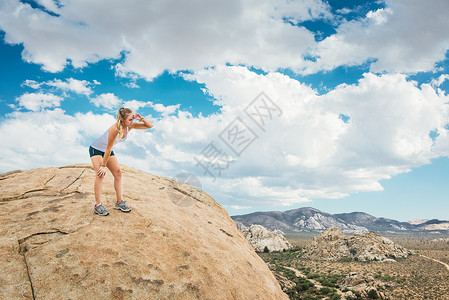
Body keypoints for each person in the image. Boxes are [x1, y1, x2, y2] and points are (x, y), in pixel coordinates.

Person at [89, 107, 153, 216]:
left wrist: (141, 118)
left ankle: (119, 202)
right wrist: (103, 165)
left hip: (107, 150)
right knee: (100, 174)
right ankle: (98, 205)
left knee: (118, 173)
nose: (132, 122)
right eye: (130, 119)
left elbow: (149, 126)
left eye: (133, 119)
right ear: (122, 120)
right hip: (97, 149)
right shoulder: (115, 129)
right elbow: (108, 148)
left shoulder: (130, 126)